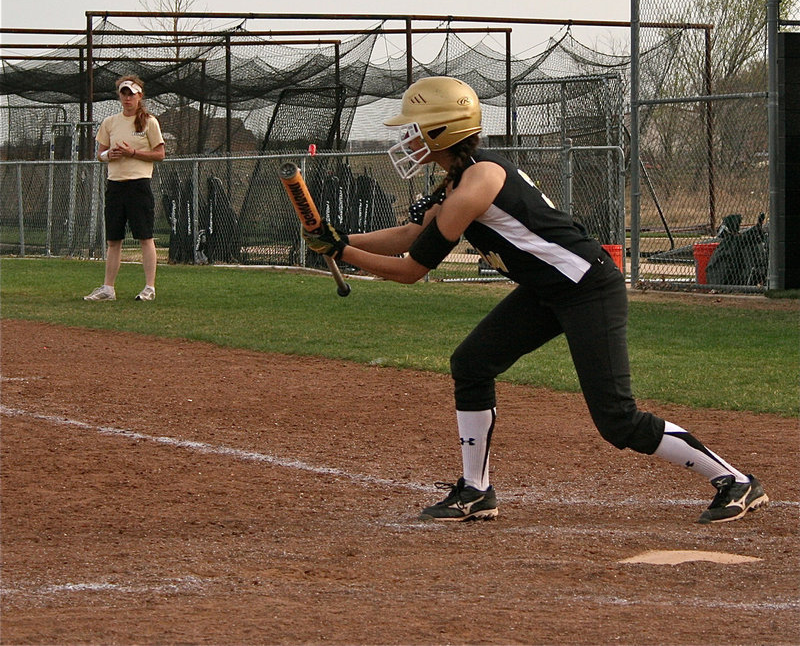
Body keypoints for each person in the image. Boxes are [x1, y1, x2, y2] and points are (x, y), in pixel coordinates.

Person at [302, 76, 769, 525]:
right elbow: (411, 234)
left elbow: (412, 269)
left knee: (617, 419)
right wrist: (339, 237)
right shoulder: (459, 179)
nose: (409, 137)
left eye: (417, 128)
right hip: (548, 291)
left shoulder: (476, 183)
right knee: (472, 363)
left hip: (587, 288)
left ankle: (734, 481)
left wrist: (343, 253)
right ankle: (475, 490)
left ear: (443, 131)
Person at [84, 75, 165, 302]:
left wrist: (133, 153)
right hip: (115, 185)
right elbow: (100, 154)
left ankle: (149, 287)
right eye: (124, 93)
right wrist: (108, 155)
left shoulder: (150, 122)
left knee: (145, 237)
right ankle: (108, 289)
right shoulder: (110, 122)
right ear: (119, 95)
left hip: (139, 185)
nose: (127, 98)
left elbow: (159, 154)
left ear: (140, 95)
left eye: (132, 93)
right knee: (113, 240)